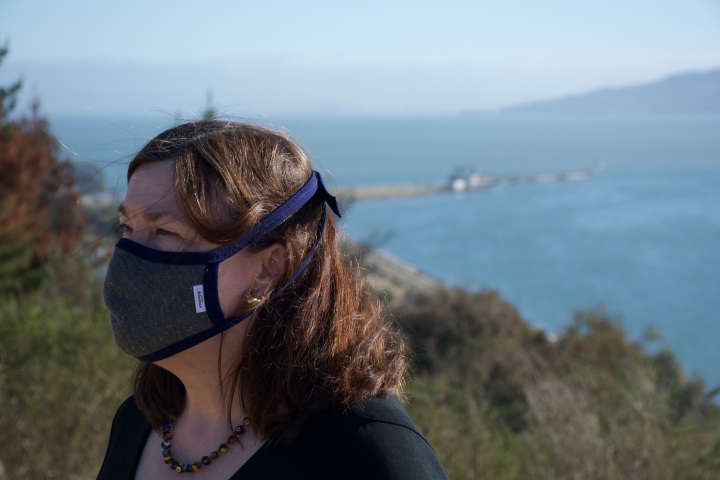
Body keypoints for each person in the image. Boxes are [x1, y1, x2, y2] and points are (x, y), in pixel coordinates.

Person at [97, 120, 448, 479]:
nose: (126, 258)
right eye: (127, 228)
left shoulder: (369, 454)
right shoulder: (139, 421)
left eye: (164, 232)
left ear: (267, 268)